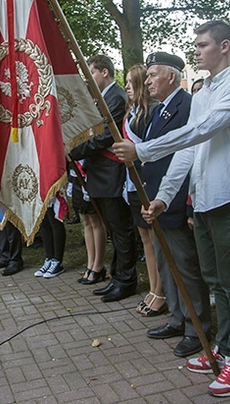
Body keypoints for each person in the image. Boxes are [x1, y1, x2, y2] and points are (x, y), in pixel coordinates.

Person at [114, 20, 230, 398]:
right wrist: (164, 195)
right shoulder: (205, 90)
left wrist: (144, 150)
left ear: (225, 46)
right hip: (206, 198)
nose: (196, 50)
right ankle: (225, 349)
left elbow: (204, 129)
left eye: (203, 44)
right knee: (215, 280)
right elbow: (189, 150)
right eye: (195, 45)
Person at [139, 51, 211, 358]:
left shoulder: (187, 106)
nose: (148, 80)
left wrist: (182, 205)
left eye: (153, 74)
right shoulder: (159, 110)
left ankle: (198, 327)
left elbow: (186, 156)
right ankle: (178, 317)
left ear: (171, 76)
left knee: (186, 266)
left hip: (175, 201)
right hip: (156, 200)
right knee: (166, 264)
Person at [70, 54, 137, 303]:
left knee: (120, 230)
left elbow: (105, 137)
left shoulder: (115, 97)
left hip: (111, 172)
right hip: (100, 174)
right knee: (113, 230)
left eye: (92, 73)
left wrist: (73, 152)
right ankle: (117, 276)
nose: (89, 78)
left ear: (105, 72)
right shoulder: (103, 98)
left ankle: (126, 280)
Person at [123, 63, 164, 316]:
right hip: (131, 183)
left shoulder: (153, 112)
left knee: (155, 240)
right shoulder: (132, 113)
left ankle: (161, 291)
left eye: (130, 81)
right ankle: (153, 288)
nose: (127, 86)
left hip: (148, 183)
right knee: (145, 239)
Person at [69, 161, 108, 285]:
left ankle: (98, 265)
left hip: (89, 173)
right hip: (75, 174)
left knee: (95, 221)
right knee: (85, 220)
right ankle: (90, 263)